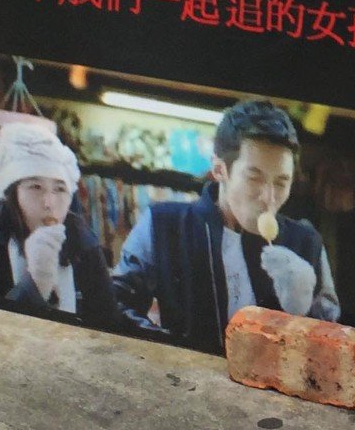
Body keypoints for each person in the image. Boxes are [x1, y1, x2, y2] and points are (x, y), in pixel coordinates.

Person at [111, 99, 338, 354]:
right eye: (254, 178)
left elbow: (332, 346)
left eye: (281, 182)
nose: (269, 197)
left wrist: (303, 315)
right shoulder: (164, 225)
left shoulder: (306, 243)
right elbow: (115, 304)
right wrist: (169, 351)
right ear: (220, 170)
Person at [0, 123, 113, 319]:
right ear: (13, 192)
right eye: (35, 187)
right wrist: (37, 280)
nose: (49, 203)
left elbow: (107, 319)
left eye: (60, 189)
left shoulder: (82, 237)